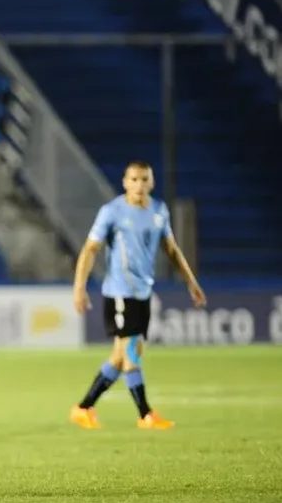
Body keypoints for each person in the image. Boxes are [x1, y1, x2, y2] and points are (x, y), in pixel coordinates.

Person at [70, 161, 206, 430]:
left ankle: (84, 408)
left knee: (120, 358)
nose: (140, 185)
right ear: (125, 182)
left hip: (143, 292)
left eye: (145, 179)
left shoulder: (158, 211)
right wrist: (79, 287)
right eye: (134, 179)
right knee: (132, 352)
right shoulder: (112, 212)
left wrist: (191, 282)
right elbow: (89, 250)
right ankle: (145, 414)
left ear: (151, 183)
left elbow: (171, 249)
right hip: (120, 292)